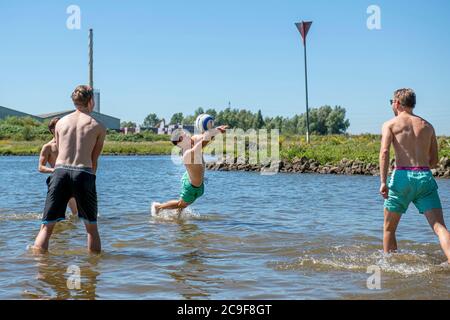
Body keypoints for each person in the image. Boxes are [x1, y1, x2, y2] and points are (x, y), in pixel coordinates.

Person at [33, 85, 106, 254]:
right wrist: (89, 181)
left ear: (74, 101)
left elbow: (60, 150)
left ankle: (40, 269)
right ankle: (92, 270)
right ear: (91, 101)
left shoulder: (60, 124)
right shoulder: (98, 126)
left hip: (60, 172)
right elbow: (94, 160)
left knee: (46, 227)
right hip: (83, 173)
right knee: (91, 228)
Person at [380, 88, 450, 263]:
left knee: (389, 229)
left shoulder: (390, 124)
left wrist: (383, 182)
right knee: (440, 227)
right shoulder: (428, 126)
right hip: (425, 177)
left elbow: (384, 152)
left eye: (391, 102)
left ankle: (390, 267)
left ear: (396, 103)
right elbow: (434, 161)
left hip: (401, 177)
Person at [152, 125, 228, 215]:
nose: (188, 134)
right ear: (181, 139)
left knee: (184, 204)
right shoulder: (187, 154)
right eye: (185, 134)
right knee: (181, 204)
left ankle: (178, 216)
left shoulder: (193, 140)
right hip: (191, 185)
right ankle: (158, 207)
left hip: (196, 182)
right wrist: (215, 132)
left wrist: (215, 130)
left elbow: (204, 137)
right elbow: (202, 144)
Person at [38, 117, 78, 217]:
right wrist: (55, 170)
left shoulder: (71, 144)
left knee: (76, 213)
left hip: (71, 179)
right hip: (57, 180)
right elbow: (41, 167)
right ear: (53, 130)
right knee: (56, 213)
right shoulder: (48, 147)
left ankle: (73, 230)